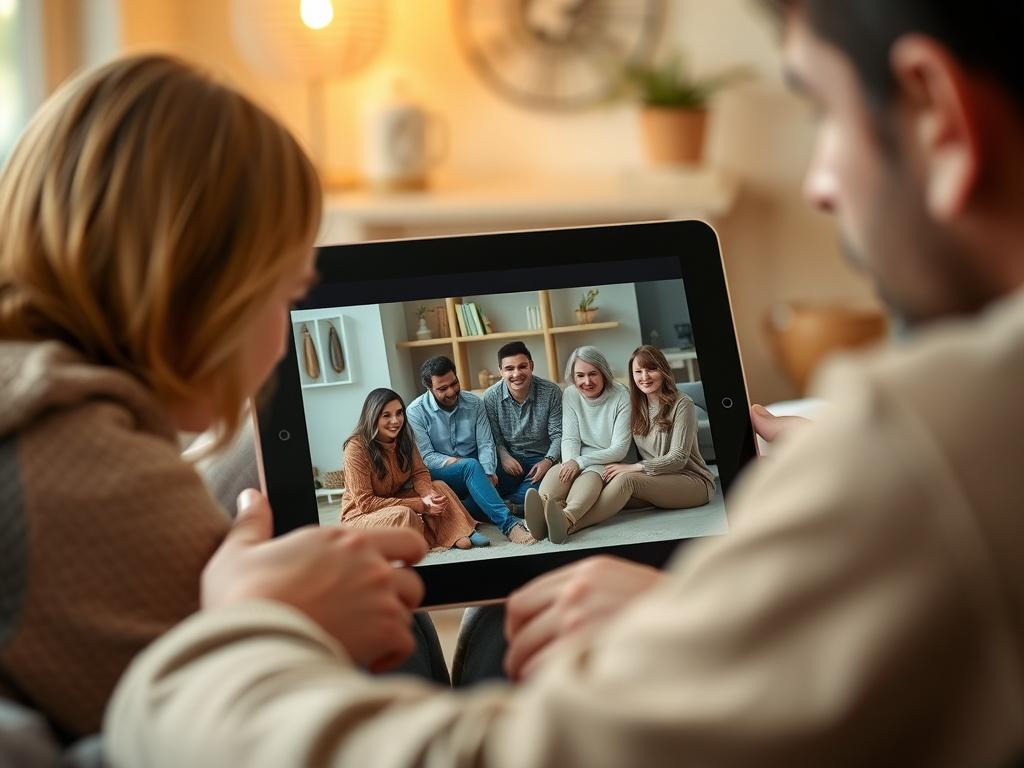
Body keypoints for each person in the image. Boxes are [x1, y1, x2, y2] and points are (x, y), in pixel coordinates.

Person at [105, 0, 1024, 764]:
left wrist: (234, 635)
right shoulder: (938, 447)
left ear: (937, 111)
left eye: (820, 111)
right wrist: (702, 609)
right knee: (503, 593)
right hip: (496, 495)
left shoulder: (939, 444)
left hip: (512, 504)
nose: (819, 184)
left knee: (484, 624)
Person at [0, 54, 422, 740]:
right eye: (286, 296)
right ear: (206, 292)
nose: (283, 343)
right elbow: (225, 733)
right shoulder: (85, 474)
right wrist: (282, 626)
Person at [554, 345, 716, 535]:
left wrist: (635, 467)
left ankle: (569, 524)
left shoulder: (683, 404)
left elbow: (678, 458)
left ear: (663, 370)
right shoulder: (636, 405)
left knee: (626, 480)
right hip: (654, 481)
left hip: (691, 481)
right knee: (602, 483)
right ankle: (556, 511)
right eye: (638, 371)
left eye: (651, 369)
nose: (644, 377)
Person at [407, 356, 536, 544]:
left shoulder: (475, 403)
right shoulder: (415, 412)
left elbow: (485, 443)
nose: (451, 391)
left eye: (454, 383)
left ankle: (475, 509)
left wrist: (488, 471)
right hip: (444, 473)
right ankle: (509, 524)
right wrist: (461, 464)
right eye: (442, 389)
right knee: (470, 466)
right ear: (429, 389)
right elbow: (426, 457)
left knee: (517, 470)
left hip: (477, 471)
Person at [340, 388, 486, 550]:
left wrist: (427, 494)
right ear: (372, 417)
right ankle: (440, 536)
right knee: (404, 514)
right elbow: (366, 503)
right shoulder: (356, 448)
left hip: (393, 501)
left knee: (439, 487)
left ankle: (459, 532)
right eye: (386, 415)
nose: (395, 421)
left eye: (399, 413)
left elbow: (420, 472)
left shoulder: (405, 438)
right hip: (362, 515)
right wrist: (419, 504)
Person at [525, 346, 634, 544]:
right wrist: (570, 463)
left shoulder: (621, 395)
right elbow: (570, 438)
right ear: (573, 377)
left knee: (590, 476)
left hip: (607, 458)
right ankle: (541, 510)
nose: (587, 381)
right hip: (578, 456)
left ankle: (566, 517)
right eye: (580, 375)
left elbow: (620, 449)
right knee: (561, 470)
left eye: (593, 374)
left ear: (604, 373)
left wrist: (580, 462)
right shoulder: (570, 394)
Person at [483, 341, 562, 514]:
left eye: (522, 366)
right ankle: (520, 507)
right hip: (509, 460)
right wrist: (504, 457)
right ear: (501, 371)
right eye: (509, 369)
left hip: (541, 459)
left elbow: (558, 435)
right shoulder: (490, 397)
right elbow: (493, 437)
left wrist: (548, 461)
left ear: (531, 366)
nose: (516, 374)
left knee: (552, 482)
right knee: (485, 480)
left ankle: (508, 506)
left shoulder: (552, 392)